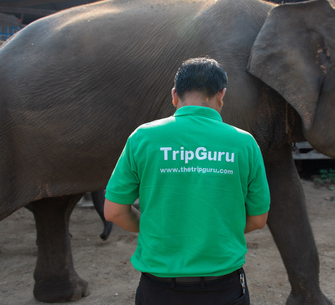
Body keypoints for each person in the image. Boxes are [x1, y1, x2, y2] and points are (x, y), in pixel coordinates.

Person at [104, 57, 270, 305]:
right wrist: (214, 230)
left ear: (174, 95)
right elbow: (258, 219)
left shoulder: (143, 137)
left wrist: (155, 228)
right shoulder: (244, 143)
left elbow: (114, 211)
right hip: (223, 287)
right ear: (221, 95)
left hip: (158, 288)